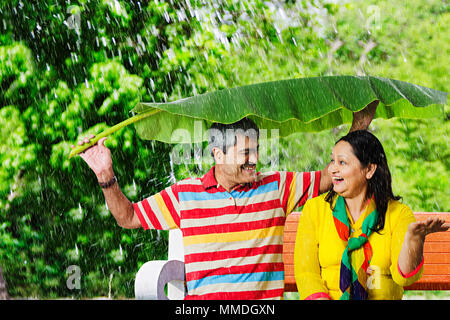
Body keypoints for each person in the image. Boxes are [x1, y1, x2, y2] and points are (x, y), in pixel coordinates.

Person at [73, 102, 377, 300]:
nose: (254, 160)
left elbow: (331, 176)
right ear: (217, 154)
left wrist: (358, 127)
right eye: (245, 153)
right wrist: (105, 174)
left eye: (256, 151)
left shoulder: (276, 187)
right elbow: (127, 217)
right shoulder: (185, 195)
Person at [294, 130, 449, 300]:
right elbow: (306, 273)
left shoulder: (398, 214)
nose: (332, 169)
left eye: (342, 162)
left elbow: (405, 277)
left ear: (369, 169)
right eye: (332, 160)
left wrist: (414, 240)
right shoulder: (315, 209)